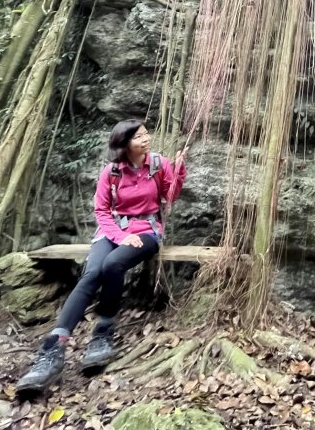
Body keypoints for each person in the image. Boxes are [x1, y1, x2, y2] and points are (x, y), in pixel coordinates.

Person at [15, 119, 188, 393]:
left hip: (147, 230)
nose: (146, 139)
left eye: (146, 134)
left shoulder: (158, 164)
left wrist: (178, 171)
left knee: (113, 264)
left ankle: (103, 332)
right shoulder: (112, 172)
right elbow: (102, 211)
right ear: (124, 143)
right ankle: (53, 349)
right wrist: (120, 236)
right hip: (111, 232)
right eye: (138, 136)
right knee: (92, 272)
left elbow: (170, 195)